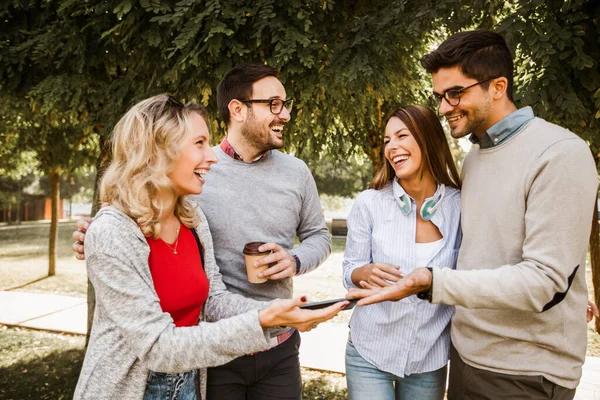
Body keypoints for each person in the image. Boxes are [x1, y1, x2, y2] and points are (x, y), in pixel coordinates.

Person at [347, 30, 599, 400]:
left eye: (455, 93)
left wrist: (431, 282)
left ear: (498, 86)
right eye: (440, 97)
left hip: (524, 372)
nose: (445, 107)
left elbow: (544, 279)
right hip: (464, 357)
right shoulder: (475, 160)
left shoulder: (559, 153)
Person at [73, 64, 331, 399]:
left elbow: (214, 300)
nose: (210, 157)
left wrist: (281, 313)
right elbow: (160, 347)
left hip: (195, 381)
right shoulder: (119, 227)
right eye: (199, 143)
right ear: (158, 152)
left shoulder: (192, 218)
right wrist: (264, 321)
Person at [342, 105, 461, 400]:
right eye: (387, 140)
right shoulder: (370, 203)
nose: (392, 147)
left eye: (401, 136)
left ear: (428, 139)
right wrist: (361, 273)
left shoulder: (460, 205)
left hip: (429, 357)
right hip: (369, 352)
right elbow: (349, 272)